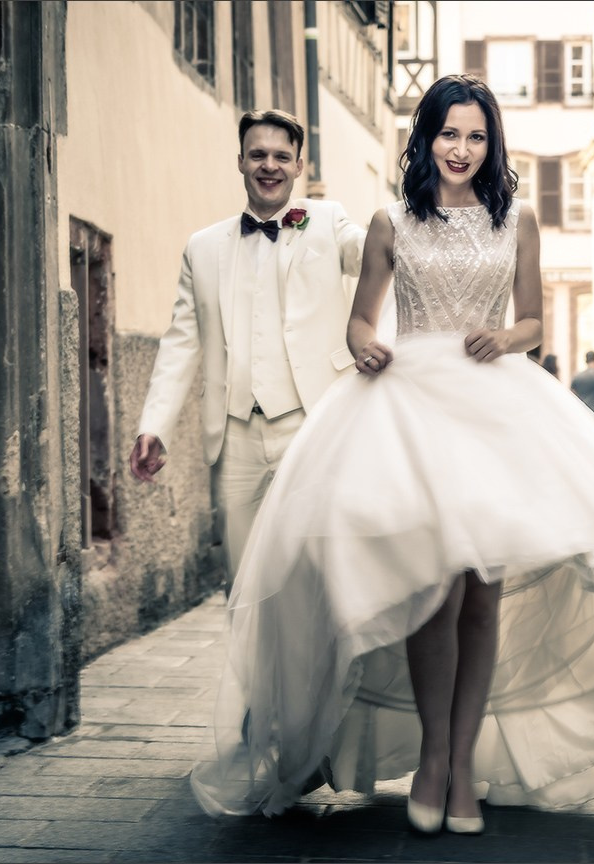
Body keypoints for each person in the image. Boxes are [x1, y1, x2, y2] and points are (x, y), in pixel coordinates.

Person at [189, 75, 594, 834]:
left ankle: (461, 767)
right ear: (427, 137)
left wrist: (506, 336)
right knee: (430, 592)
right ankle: (436, 761)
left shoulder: (518, 219)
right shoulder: (389, 222)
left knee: (482, 594)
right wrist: (369, 349)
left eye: (476, 136)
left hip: (494, 411)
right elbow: (358, 323)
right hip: (410, 411)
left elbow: (535, 321)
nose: (461, 148)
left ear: (492, 143)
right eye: (449, 134)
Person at [129, 109, 366, 591]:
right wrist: (154, 425)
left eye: (282, 156)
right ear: (239, 161)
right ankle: (252, 669)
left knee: (313, 575)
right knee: (244, 583)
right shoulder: (202, 247)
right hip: (234, 437)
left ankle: (312, 668)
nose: (269, 166)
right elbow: (180, 343)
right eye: (258, 154)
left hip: (311, 425)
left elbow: (374, 253)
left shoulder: (328, 221)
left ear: (300, 166)